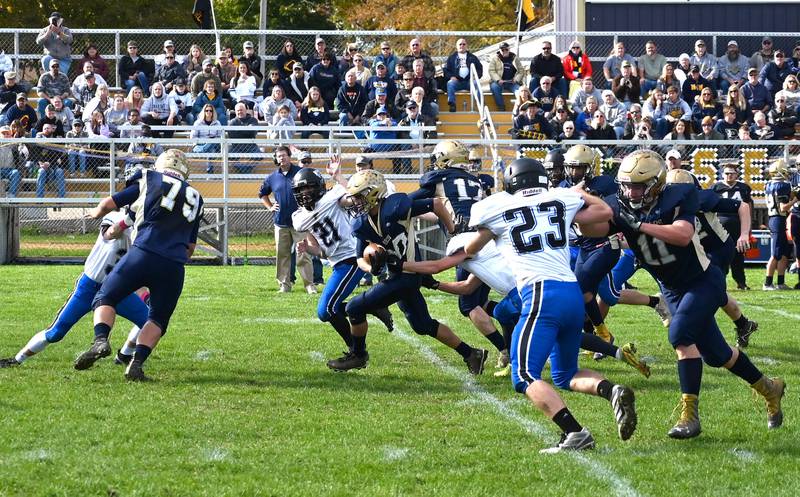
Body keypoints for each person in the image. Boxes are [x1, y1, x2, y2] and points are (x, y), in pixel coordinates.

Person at [595, 149, 785, 438]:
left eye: (638, 185)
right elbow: (591, 219)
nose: (631, 192)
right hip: (670, 288)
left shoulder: (681, 195)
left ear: (657, 184)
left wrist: (638, 225)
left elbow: (682, 234)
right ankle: (769, 389)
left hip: (702, 280)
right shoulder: (618, 203)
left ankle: (689, 416)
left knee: (680, 334)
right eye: (627, 185)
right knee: (717, 354)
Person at [465, 157, 637, 452]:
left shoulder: (497, 206)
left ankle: (574, 432)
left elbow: (470, 248)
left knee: (524, 375)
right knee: (564, 374)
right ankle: (612, 390)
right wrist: (580, 192)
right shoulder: (561, 198)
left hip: (540, 292)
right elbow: (605, 211)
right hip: (571, 292)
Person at [328, 168, 488, 375]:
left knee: (354, 308)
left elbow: (437, 204)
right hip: (398, 275)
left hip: (410, 276)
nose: (355, 202)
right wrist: (372, 267)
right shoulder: (361, 223)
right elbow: (360, 258)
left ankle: (358, 354)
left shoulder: (396, 208)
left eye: (359, 197)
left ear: (373, 193)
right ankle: (472, 353)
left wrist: (451, 230)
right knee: (423, 325)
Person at [76, 149, 203, 381]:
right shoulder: (196, 196)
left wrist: (95, 213)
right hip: (173, 265)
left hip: (143, 253)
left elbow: (109, 203)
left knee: (105, 297)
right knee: (157, 319)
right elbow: (190, 249)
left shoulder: (149, 178)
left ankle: (101, 340)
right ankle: (136, 364)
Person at [0, 207, 149, 369]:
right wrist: (130, 219)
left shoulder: (146, 228)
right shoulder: (116, 216)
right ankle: (17, 359)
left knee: (151, 323)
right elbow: (111, 233)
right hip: (90, 286)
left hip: (117, 289)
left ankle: (124, 355)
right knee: (55, 333)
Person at [407, 141, 509, 363]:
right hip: (486, 239)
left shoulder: (440, 178)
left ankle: (506, 348)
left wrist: (394, 206)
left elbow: (410, 201)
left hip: (466, 244)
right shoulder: (476, 181)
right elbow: (447, 211)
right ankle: (512, 324)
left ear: (445, 158)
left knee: (468, 304)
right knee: (481, 301)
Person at [292, 163, 394, 362]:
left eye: (308, 188)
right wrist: (308, 249)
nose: (304, 193)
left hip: (352, 259)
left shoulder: (334, 197)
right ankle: (371, 306)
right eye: (300, 190)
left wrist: (339, 177)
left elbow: (354, 199)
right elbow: (323, 251)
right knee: (331, 309)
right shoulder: (299, 217)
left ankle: (357, 351)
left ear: (319, 186)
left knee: (326, 310)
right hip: (338, 263)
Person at [259, 146, 315, 294]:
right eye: (279, 156)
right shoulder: (272, 177)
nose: (282, 158)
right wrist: (270, 206)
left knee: (303, 254)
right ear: (276, 159)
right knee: (282, 255)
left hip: (300, 222)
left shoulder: (300, 173)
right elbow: (262, 194)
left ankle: (309, 285)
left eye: (284, 155)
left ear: (289, 156)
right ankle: (284, 284)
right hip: (280, 222)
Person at [713, 166, 753, 291]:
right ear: (722, 174)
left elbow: (749, 206)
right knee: (720, 254)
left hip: (737, 224)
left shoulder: (743, 188)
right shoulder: (715, 188)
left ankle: (741, 282)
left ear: (737, 175)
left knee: (738, 254)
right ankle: (720, 282)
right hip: (719, 225)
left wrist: (748, 227)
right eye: (726, 173)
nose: (729, 175)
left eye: (732, 173)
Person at [763, 159, 794, 290]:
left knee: (783, 254)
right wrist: (796, 199)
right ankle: (767, 283)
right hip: (778, 219)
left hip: (774, 218)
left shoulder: (768, 184)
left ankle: (780, 282)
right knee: (776, 254)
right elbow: (783, 207)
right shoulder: (782, 186)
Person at [444, 39, 482, 113]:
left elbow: (480, 69)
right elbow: (446, 70)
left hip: (469, 81)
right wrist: (451, 77)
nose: (462, 46)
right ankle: (452, 104)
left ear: (466, 46)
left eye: (464, 44)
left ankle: (480, 105)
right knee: (450, 83)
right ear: (456, 46)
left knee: (476, 84)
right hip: (457, 82)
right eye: (460, 44)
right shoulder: (452, 58)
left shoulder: (473, 57)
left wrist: (475, 76)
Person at [489, 42, 523, 112]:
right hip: (500, 82)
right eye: (502, 50)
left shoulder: (514, 58)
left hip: (512, 82)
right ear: (499, 50)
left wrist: (516, 80)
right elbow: (491, 71)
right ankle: (501, 107)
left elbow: (521, 71)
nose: (504, 51)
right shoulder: (495, 59)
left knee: (520, 91)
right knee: (494, 87)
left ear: (509, 49)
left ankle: (519, 108)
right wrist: (498, 80)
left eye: (506, 49)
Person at [191, 104, 222, 174]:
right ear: (203, 112)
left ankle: (206, 149)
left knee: (212, 145)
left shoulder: (217, 123)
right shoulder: (198, 123)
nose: (208, 112)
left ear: (213, 112)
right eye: (206, 110)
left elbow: (220, 136)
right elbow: (193, 137)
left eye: (210, 111)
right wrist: (204, 141)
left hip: (214, 145)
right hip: (199, 145)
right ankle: (210, 172)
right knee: (210, 151)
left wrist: (211, 141)